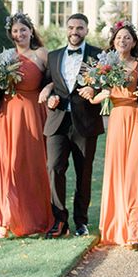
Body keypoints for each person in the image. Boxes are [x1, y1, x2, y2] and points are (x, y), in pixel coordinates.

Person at [0, 13, 53, 237]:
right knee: (6, 165)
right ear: (10, 34)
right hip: (8, 114)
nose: (19, 34)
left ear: (31, 31)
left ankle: (33, 217)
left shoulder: (41, 54)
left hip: (32, 113)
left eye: (23, 30)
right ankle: (6, 218)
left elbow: (55, 78)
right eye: (15, 31)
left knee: (29, 166)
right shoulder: (7, 56)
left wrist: (48, 88)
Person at [93, 21, 138, 249]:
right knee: (119, 174)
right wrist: (95, 93)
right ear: (113, 41)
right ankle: (122, 228)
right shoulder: (105, 67)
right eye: (119, 37)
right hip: (118, 119)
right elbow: (97, 96)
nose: (123, 41)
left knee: (136, 173)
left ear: (133, 43)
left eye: (127, 38)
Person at [40, 13, 103, 238]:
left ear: (86, 30)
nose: (74, 32)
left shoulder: (98, 55)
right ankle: (59, 220)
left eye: (79, 28)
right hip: (57, 121)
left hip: (86, 122)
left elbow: (106, 82)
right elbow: (48, 83)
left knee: (83, 173)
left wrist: (94, 90)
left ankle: (81, 221)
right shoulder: (54, 56)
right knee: (54, 169)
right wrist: (49, 97)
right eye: (71, 27)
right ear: (66, 29)